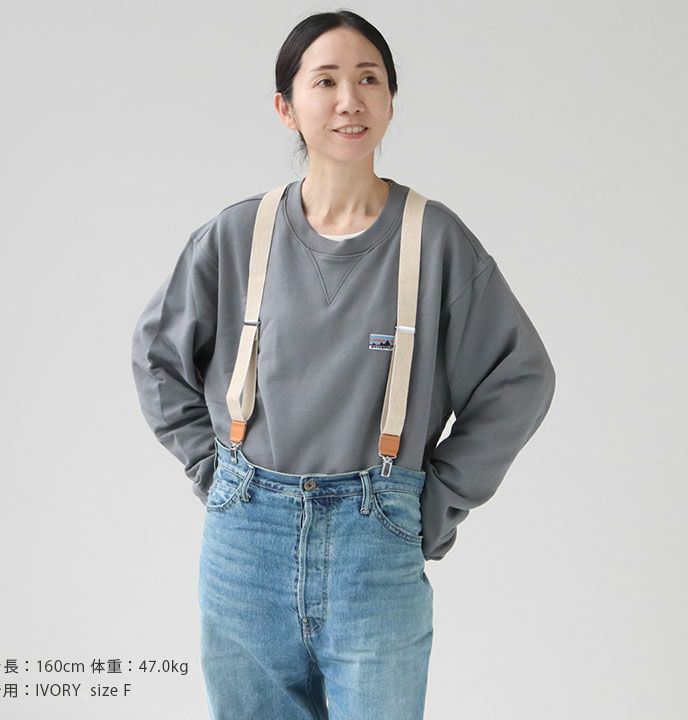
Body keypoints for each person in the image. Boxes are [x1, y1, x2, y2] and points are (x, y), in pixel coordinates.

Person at [130, 10, 556, 720]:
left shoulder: (434, 241)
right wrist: (213, 470)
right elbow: (157, 356)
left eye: (368, 79)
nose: (349, 100)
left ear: (390, 100)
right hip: (245, 551)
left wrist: (434, 501)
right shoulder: (239, 235)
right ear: (286, 107)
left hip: (375, 547)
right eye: (325, 81)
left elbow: (521, 378)